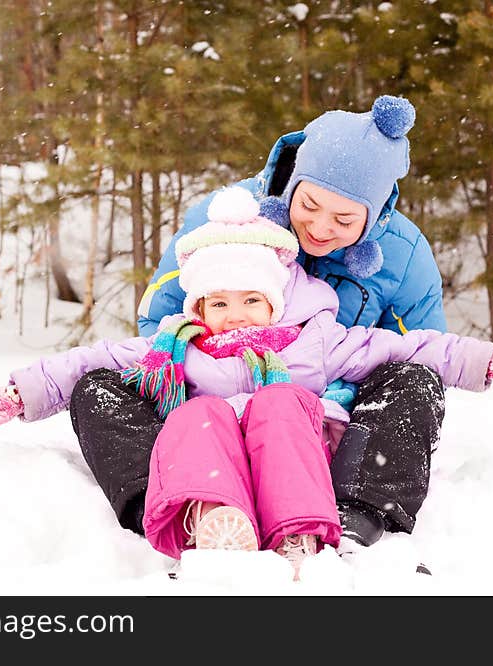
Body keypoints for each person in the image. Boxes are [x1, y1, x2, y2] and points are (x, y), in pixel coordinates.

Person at [0, 187, 493, 580]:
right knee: (194, 414)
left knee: (280, 402)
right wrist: (21, 395)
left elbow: (409, 346)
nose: (237, 313)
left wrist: (489, 362)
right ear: (198, 305)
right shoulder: (176, 350)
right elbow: (89, 360)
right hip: (211, 455)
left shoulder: (314, 340)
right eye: (219, 302)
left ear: (275, 302)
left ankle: (304, 529)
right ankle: (212, 519)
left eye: (251, 300)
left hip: (296, 449)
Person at [71, 94, 466, 551]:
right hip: (206, 408)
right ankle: (174, 509)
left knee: (415, 382)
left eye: (343, 218)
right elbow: (161, 318)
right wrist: (205, 382)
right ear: (293, 185)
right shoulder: (226, 218)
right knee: (99, 389)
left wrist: (323, 403)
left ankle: (355, 512)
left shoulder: (404, 253)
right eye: (310, 205)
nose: (320, 227)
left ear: (373, 215)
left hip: (327, 420)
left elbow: (421, 349)